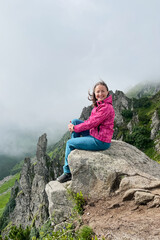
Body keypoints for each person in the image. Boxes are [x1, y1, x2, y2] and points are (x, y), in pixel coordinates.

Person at [57, 80, 115, 183]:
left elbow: (91, 123)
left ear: (107, 92)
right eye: (98, 92)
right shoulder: (99, 106)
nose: (100, 94)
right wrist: (74, 126)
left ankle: (68, 173)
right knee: (75, 121)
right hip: (95, 134)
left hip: (100, 141)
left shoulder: (106, 108)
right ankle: (75, 153)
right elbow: (90, 122)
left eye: (103, 91)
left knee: (69, 143)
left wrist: (74, 129)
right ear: (94, 93)